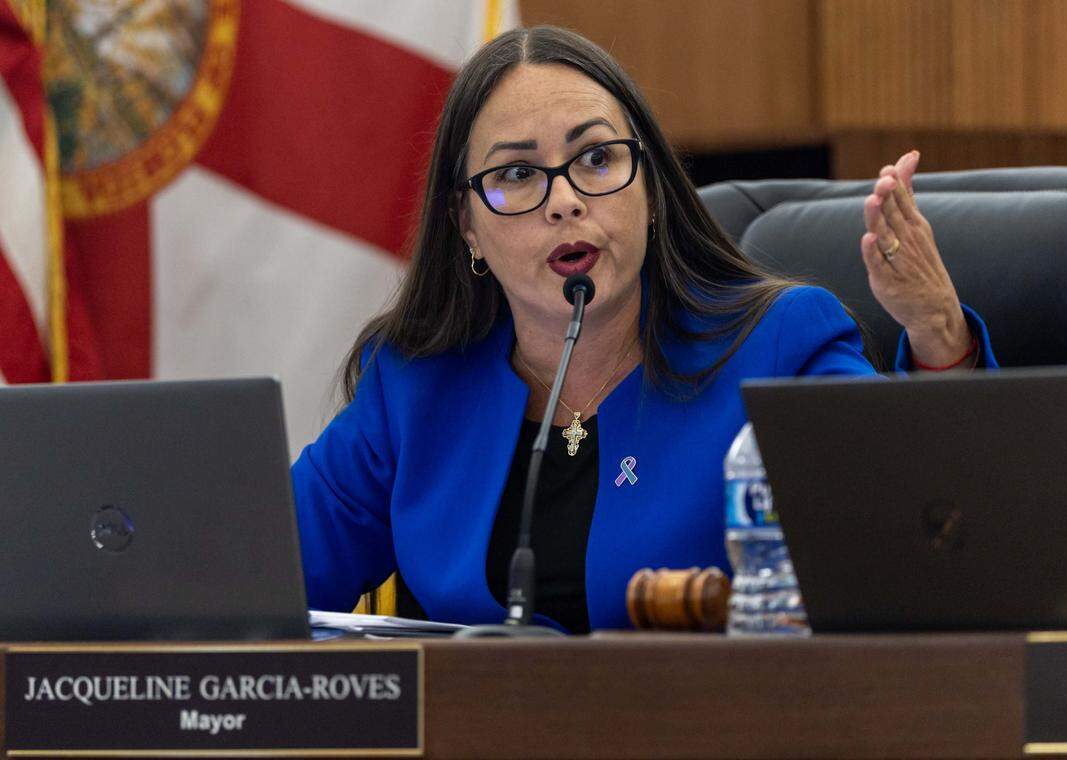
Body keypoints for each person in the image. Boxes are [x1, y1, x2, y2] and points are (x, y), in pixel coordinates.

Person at [291, 26, 997, 633]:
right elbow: (261, 583)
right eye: (516, 175)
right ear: (467, 226)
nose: (565, 201)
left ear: (651, 188)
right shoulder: (416, 385)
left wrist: (937, 337)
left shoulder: (778, 345)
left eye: (597, 159)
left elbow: (924, 549)